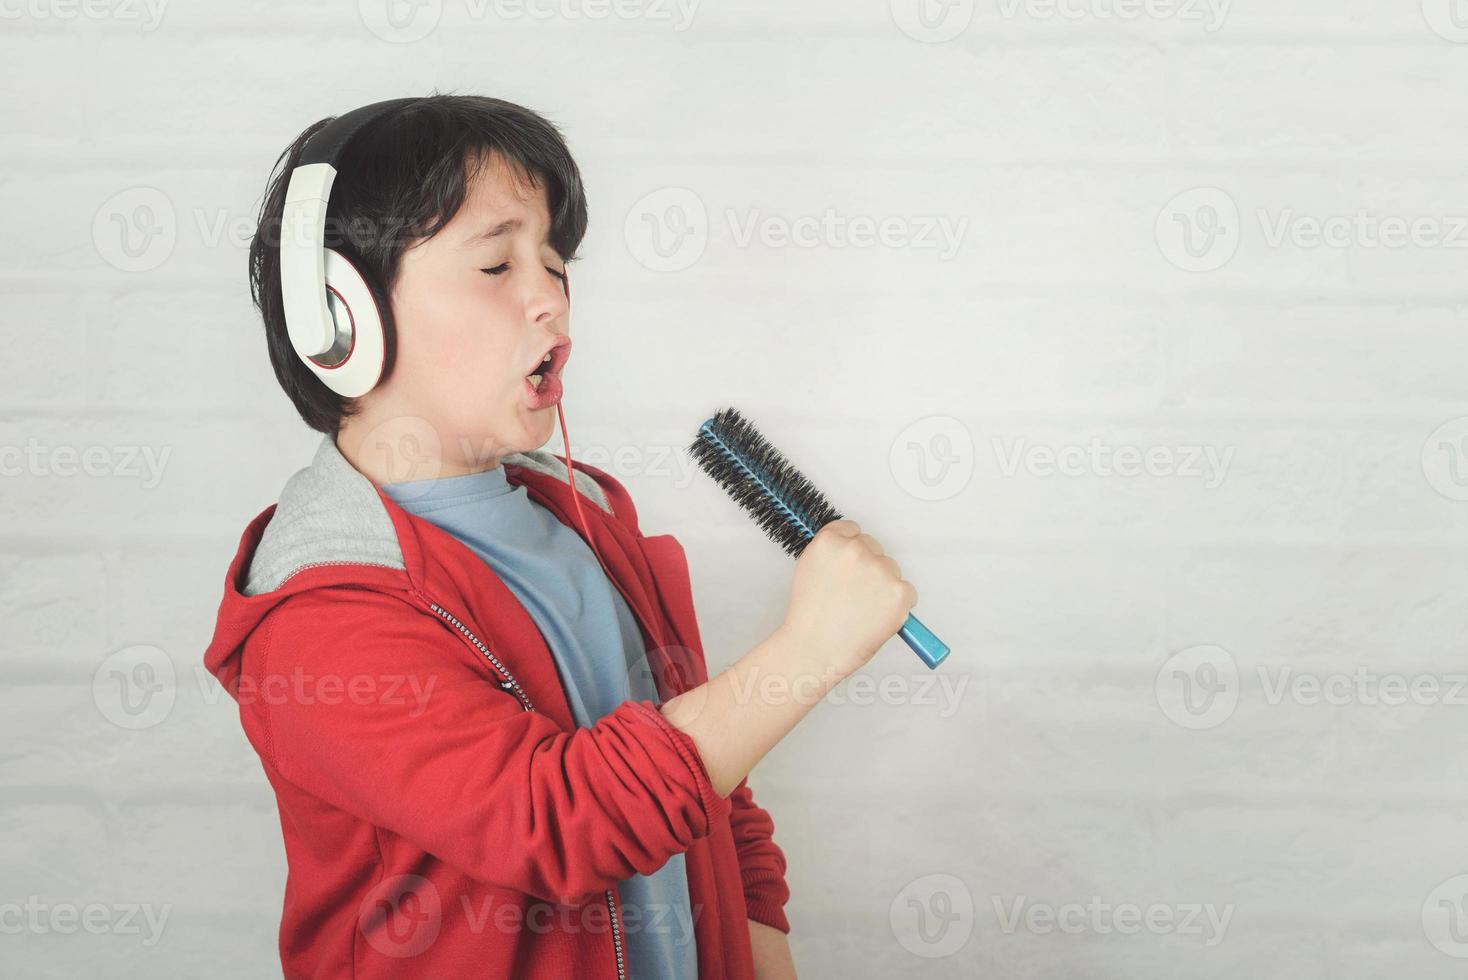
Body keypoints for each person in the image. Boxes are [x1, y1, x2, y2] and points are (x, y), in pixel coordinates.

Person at [203, 92, 917, 979]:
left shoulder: (590, 518)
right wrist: (807, 649)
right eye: (497, 266)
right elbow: (551, 821)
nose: (552, 299)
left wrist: (758, 943)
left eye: (555, 260)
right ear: (339, 320)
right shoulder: (321, 616)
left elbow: (707, 775)